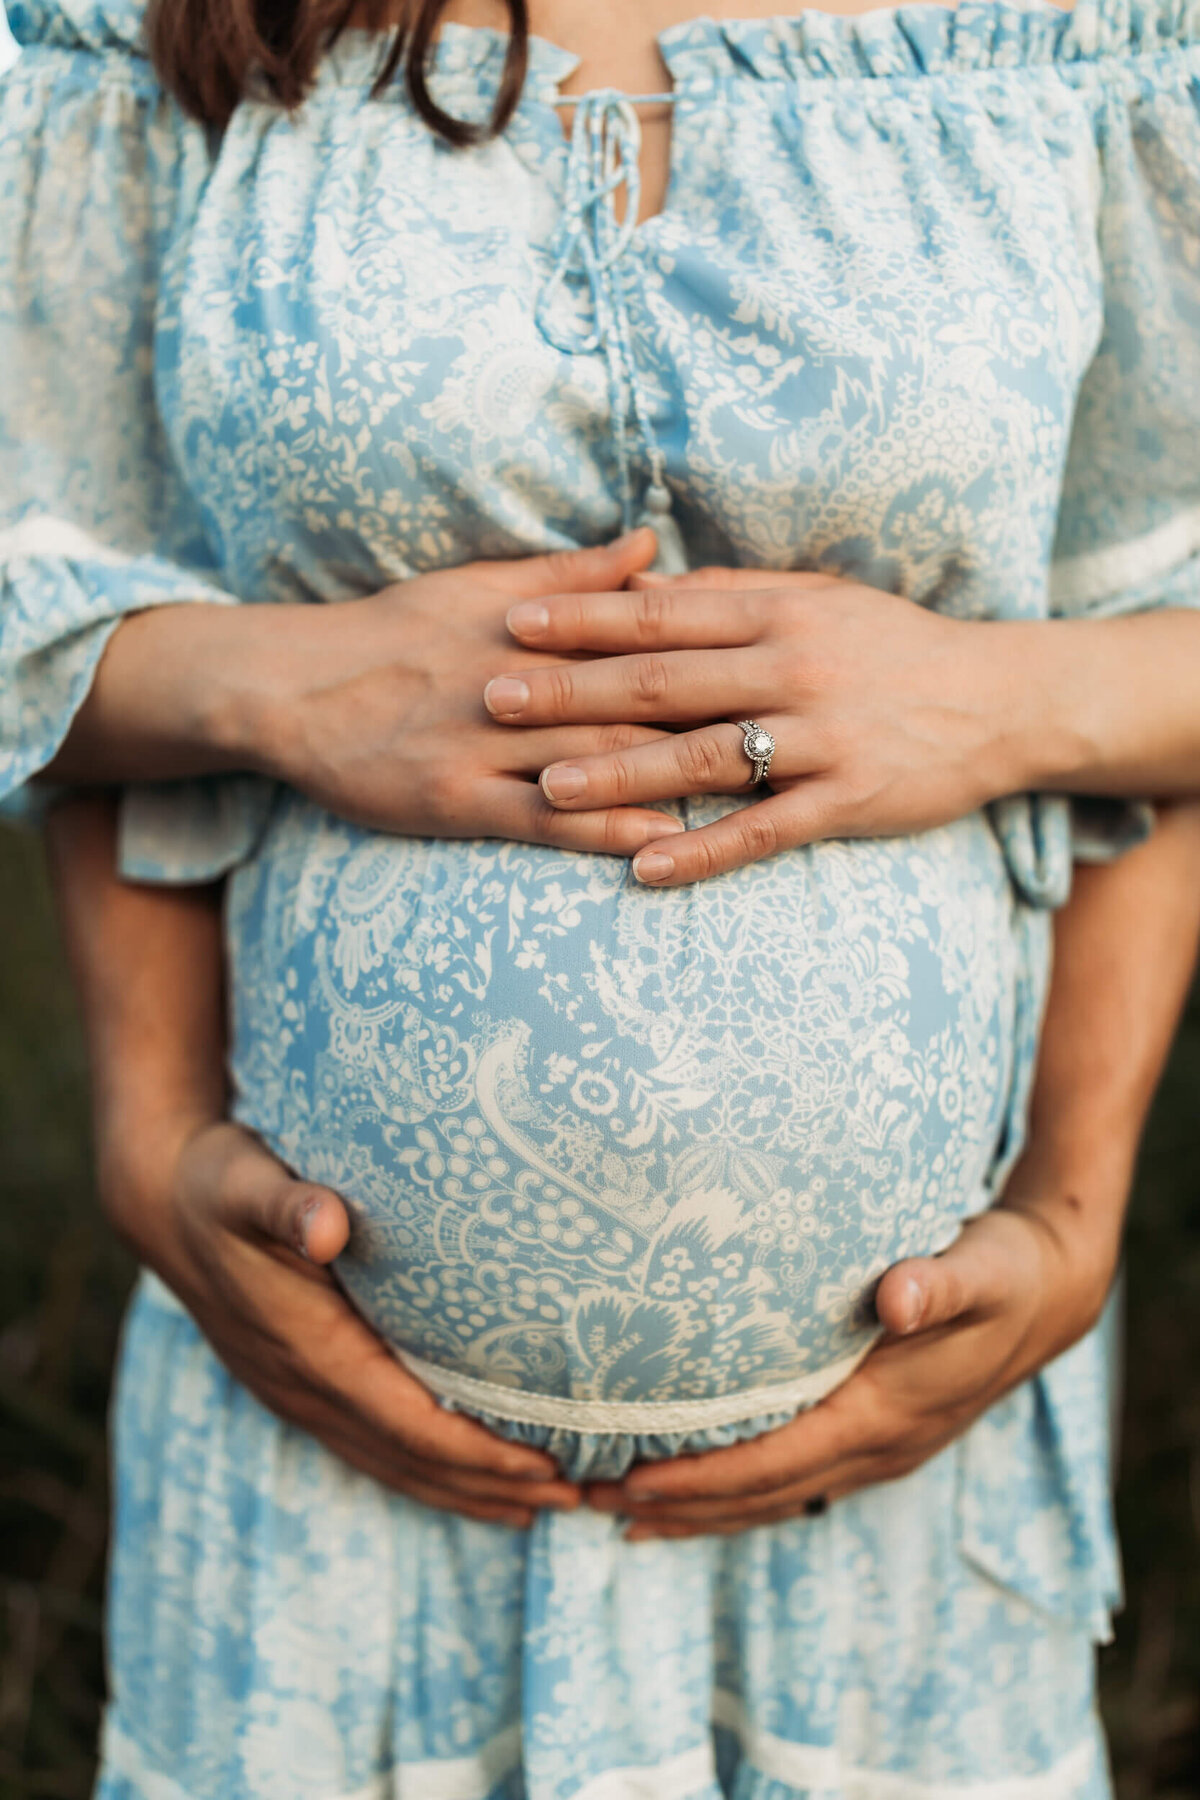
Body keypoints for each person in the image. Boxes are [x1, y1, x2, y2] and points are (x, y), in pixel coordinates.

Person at [4, 0, 1200, 1792]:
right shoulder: (157, 24)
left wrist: (1075, 1205)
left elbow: (1161, 588)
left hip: (891, 1501)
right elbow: (55, 578)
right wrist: (153, 1118)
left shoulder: (1101, 28)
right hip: (319, 1476)